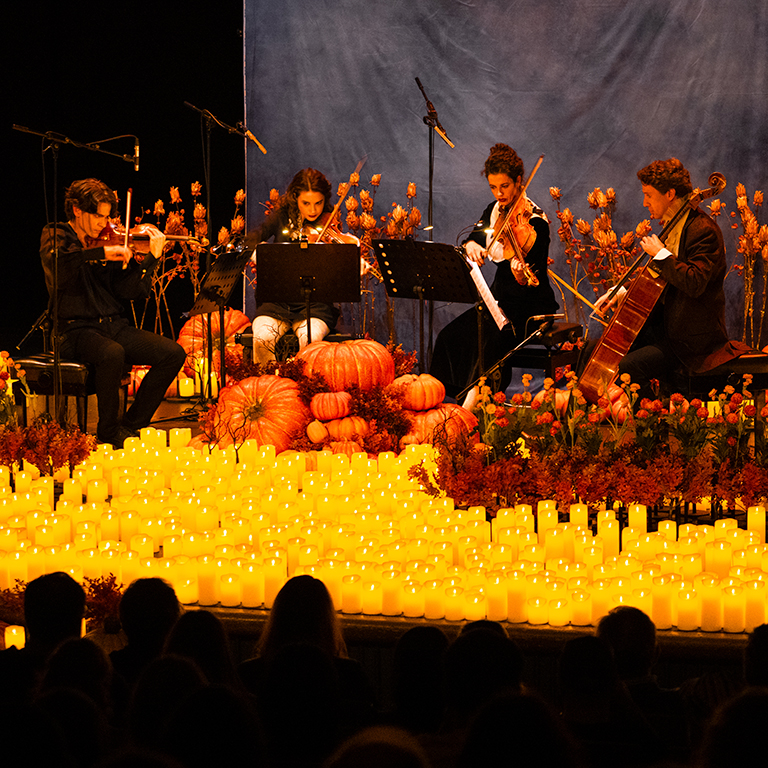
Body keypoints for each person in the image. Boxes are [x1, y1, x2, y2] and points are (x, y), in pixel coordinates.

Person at [39, 178, 186, 448]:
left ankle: (132, 425)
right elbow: (58, 266)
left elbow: (129, 291)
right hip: (74, 330)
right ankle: (107, 433)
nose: (103, 224)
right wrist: (99, 252)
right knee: (112, 352)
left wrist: (149, 259)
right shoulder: (56, 234)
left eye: (107, 217)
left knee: (173, 353)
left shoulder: (110, 241)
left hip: (111, 325)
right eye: (97, 216)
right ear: (76, 209)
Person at [591, 158, 751, 399]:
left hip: (692, 341)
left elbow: (695, 283)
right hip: (665, 330)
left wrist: (661, 256)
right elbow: (658, 279)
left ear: (670, 194)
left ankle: (652, 426)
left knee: (629, 368)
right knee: (596, 350)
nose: (644, 202)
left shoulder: (702, 230)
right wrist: (623, 290)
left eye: (648, 195)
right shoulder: (675, 224)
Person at [429, 143, 559, 405]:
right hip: (498, 303)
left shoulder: (536, 221)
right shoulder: (493, 211)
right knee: (448, 337)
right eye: (493, 187)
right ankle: (443, 404)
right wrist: (472, 245)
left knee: (487, 343)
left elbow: (534, 275)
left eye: (505, 186)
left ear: (518, 181)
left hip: (528, 307)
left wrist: (521, 272)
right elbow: (472, 238)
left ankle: (471, 409)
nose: (499, 193)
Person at [246, 168, 343, 364]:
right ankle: (269, 387)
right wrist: (261, 255)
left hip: (316, 305)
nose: (313, 210)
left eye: (318, 203)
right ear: (295, 198)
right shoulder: (281, 216)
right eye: (305, 203)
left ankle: (305, 387)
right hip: (276, 303)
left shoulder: (329, 220)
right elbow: (249, 241)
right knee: (262, 338)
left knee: (310, 339)